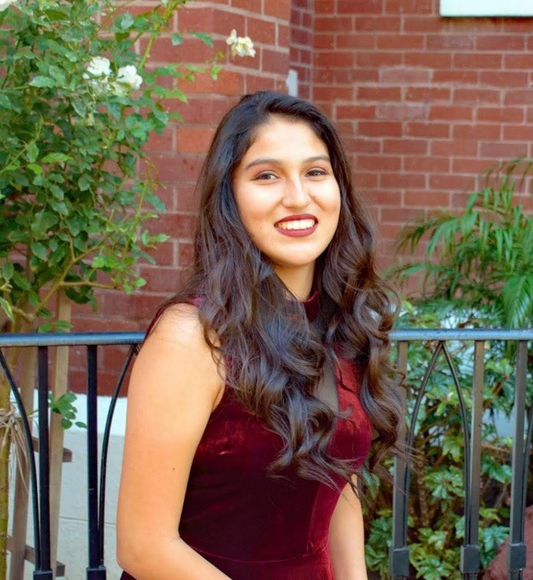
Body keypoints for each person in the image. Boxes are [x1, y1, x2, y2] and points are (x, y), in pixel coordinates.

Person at [116, 90, 404, 580]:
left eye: (315, 172)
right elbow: (144, 547)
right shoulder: (193, 336)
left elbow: (336, 487)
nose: (298, 197)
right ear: (229, 198)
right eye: (267, 175)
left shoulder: (341, 326)